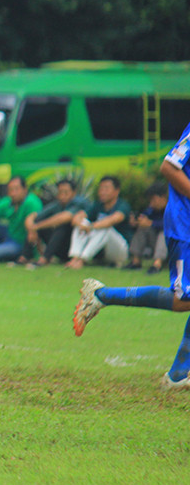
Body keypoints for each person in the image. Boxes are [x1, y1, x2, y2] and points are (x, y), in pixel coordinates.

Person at [74, 123, 190, 390]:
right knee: (184, 299)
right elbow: (169, 167)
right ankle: (101, 295)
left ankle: (178, 374)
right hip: (185, 225)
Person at [66, 176, 132, 269]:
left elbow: (114, 219)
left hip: (120, 250)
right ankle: (75, 257)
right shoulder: (97, 205)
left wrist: (91, 226)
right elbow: (77, 217)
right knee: (83, 222)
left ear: (116, 191)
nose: (102, 192)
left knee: (105, 228)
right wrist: (81, 224)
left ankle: (82, 260)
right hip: (103, 251)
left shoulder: (122, 205)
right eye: (101, 189)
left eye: (106, 189)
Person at [22, 178, 88, 267]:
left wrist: (36, 227)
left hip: (76, 247)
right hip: (61, 247)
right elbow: (32, 216)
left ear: (74, 192)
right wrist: (32, 229)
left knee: (62, 225)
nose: (62, 196)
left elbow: (65, 217)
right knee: (38, 221)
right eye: (60, 192)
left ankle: (45, 259)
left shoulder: (79, 202)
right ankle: (24, 257)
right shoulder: (58, 204)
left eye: (66, 192)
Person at [125, 182, 168, 274]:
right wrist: (137, 221)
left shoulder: (174, 208)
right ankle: (136, 261)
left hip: (173, 246)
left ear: (163, 197)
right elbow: (145, 217)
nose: (151, 203)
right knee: (143, 227)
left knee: (164, 232)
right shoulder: (152, 210)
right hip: (156, 244)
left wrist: (151, 223)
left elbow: (173, 225)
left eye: (154, 199)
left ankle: (157, 264)